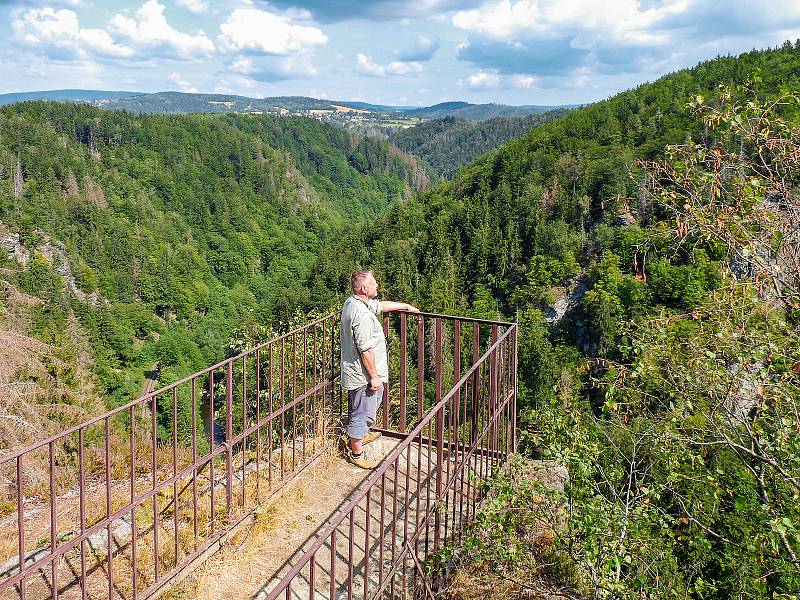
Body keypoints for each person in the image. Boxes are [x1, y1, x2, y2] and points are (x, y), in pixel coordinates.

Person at [340, 270, 419, 468]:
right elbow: (365, 350)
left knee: (364, 407)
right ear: (365, 289)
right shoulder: (361, 315)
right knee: (363, 412)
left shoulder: (354, 303)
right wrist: (374, 378)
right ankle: (357, 453)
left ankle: (359, 436)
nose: (378, 286)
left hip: (357, 370)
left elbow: (380, 305)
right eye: (375, 284)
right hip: (363, 374)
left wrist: (405, 306)